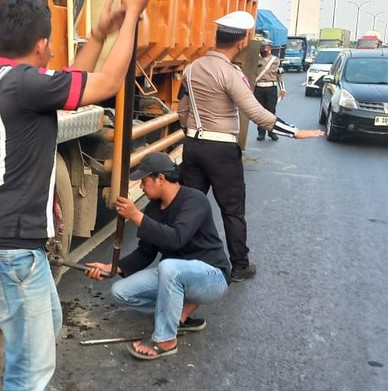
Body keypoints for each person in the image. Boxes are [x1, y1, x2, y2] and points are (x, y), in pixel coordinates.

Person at [0, 0, 149, 389]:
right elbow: (108, 84)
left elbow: (71, 79)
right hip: (9, 252)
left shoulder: (3, 78)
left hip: (0, 246)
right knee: (30, 373)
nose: (51, 54)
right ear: (42, 44)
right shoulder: (26, 85)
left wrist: (98, 35)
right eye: (49, 47)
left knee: (48, 324)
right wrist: (131, 16)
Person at [177, 11, 324, 282]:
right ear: (242, 42)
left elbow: (182, 107)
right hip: (221, 151)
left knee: (189, 207)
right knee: (232, 211)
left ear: (216, 37)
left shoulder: (192, 68)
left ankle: (181, 261)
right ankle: (240, 267)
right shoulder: (230, 74)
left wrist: (191, 133)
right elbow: (257, 113)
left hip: (193, 145)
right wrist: (295, 132)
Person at [85, 152, 231, 360]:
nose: (141, 187)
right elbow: (145, 252)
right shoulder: (153, 208)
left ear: (160, 178)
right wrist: (112, 268)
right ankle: (178, 314)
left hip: (211, 276)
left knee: (169, 267)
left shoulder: (194, 200)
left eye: (144, 181)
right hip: (174, 275)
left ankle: (166, 339)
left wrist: (135, 216)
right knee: (120, 291)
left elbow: (176, 239)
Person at [253, 40, 285, 141]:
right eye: (261, 47)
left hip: (271, 88)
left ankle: (272, 132)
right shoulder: (255, 60)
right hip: (258, 88)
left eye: (264, 47)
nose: (262, 49)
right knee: (260, 112)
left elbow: (279, 75)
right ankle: (261, 132)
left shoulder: (276, 60)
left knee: (271, 111)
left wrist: (283, 88)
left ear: (269, 48)